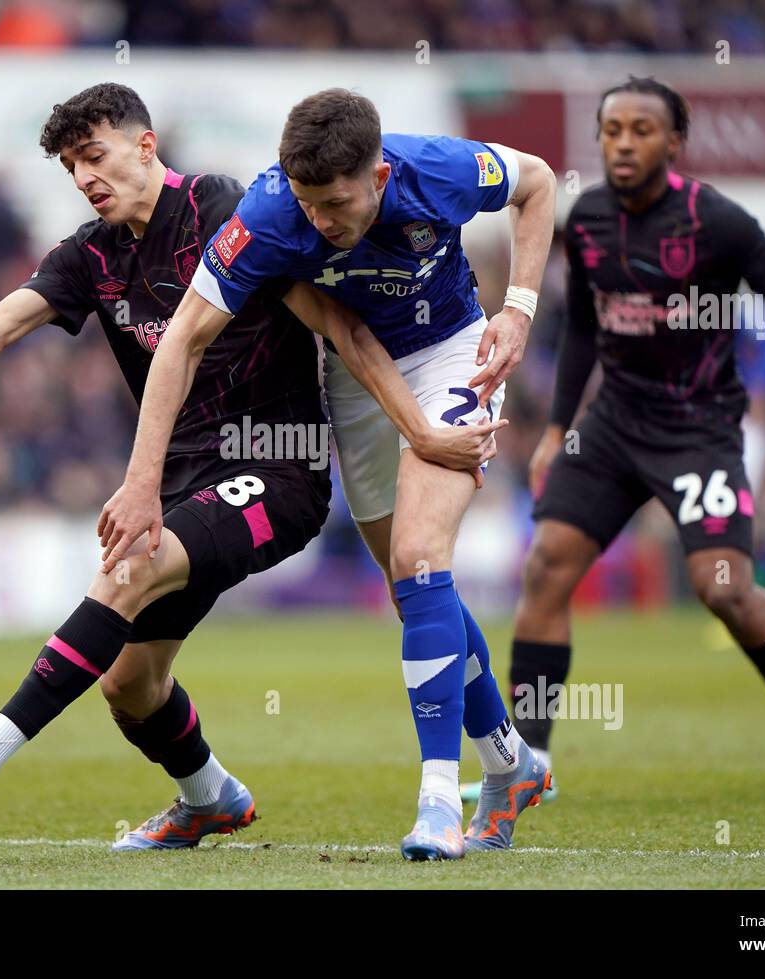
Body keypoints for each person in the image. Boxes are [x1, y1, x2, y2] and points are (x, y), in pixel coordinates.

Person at [0, 83, 492, 850]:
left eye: (94, 155)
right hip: (182, 482)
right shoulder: (89, 256)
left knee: (129, 567)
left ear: (146, 145)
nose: (84, 177)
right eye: (72, 167)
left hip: (274, 470)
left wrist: (415, 427)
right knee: (130, 685)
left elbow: (336, 321)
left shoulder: (222, 209)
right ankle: (209, 797)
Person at [96, 88, 558, 859]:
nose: (320, 222)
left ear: (379, 177)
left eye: (337, 203)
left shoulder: (437, 169)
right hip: (358, 377)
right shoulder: (271, 210)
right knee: (414, 587)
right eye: (309, 203)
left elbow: (539, 181)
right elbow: (181, 341)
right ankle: (512, 763)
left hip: (452, 354)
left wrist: (517, 307)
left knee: (418, 556)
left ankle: (440, 799)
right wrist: (142, 480)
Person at [509, 76, 765, 804]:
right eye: (612, 130)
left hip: (698, 429)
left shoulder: (717, 222)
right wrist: (555, 430)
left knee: (722, 589)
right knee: (546, 566)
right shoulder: (589, 219)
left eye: (641, 130)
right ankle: (530, 760)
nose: (624, 143)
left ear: (674, 142)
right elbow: (581, 327)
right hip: (613, 426)